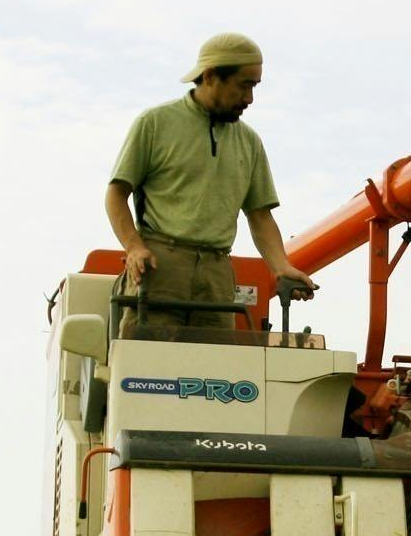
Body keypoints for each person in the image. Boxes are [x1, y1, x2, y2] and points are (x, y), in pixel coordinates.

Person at [105, 32, 316, 333]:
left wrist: (281, 267)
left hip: (217, 274)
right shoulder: (155, 123)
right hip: (160, 268)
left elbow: (259, 215)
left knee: (216, 374)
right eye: (244, 86)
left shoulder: (249, 142)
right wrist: (134, 247)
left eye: (254, 87)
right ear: (211, 75)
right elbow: (116, 194)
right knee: (147, 372)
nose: (249, 99)